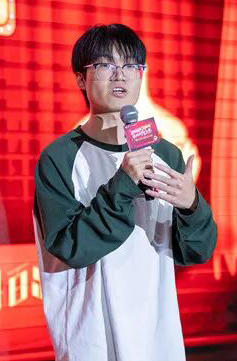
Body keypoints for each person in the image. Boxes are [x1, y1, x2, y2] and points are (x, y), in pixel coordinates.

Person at [32, 24, 218, 361]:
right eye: (105, 65)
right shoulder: (60, 157)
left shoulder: (166, 153)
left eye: (131, 65)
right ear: (80, 79)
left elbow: (196, 251)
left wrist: (192, 207)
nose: (120, 75)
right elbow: (71, 247)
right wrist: (122, 184)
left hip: (156, 334)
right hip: (92, 336)